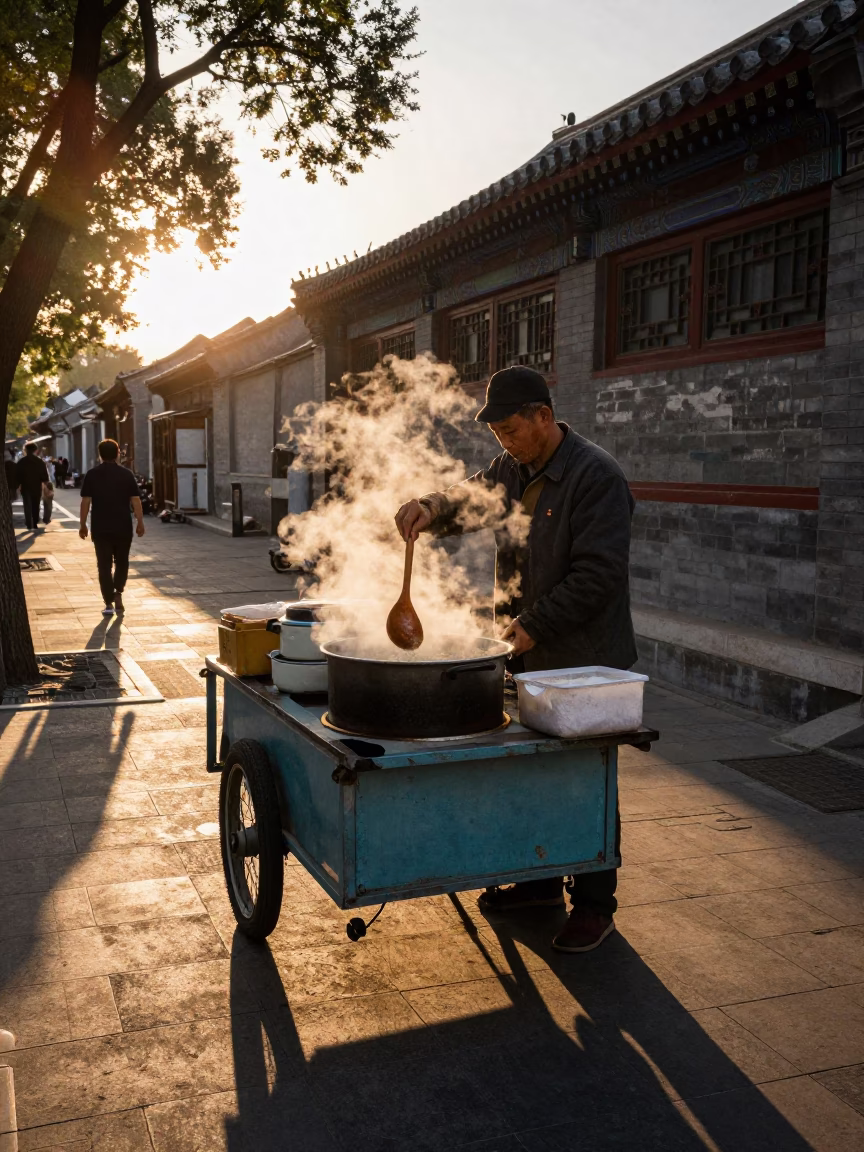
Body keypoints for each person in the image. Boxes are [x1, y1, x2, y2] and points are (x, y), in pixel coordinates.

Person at [395, 365, 637, 954]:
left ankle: (595, 905)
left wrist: (532, 625)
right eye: (497, 434)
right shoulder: (515, 467)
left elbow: (597, 576)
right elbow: (473, 495)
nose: (504, 442)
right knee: (531, 770)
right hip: (530, 653)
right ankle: (538, 887)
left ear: (543, 417)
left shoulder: (595, 476)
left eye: (511, 430)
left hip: (586, 662)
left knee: (584, 779)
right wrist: (430, 506)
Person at [79, 438, 145, 615]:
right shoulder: (126, 474)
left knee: (104, 565)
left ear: (100, 454)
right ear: (117, 453)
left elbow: (85, 501)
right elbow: (136, 501)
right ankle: (118, 592)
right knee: (122, 562)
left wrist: (82, 525)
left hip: (100, 527)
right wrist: (140, 522)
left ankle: (108, 603)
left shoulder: (92, 474)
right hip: (123, 526)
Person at [15, 442, 50, 530]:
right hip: (36, 486)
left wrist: (17, 485)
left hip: (25, 486)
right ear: (36, 450)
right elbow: (45, 477)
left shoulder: (21, 462)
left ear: (25, 450)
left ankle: (28, 523)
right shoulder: (39, 461)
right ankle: (34, 523)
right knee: (36, 504)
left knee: (27, 505)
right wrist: (46, 486)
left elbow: (17, 475)